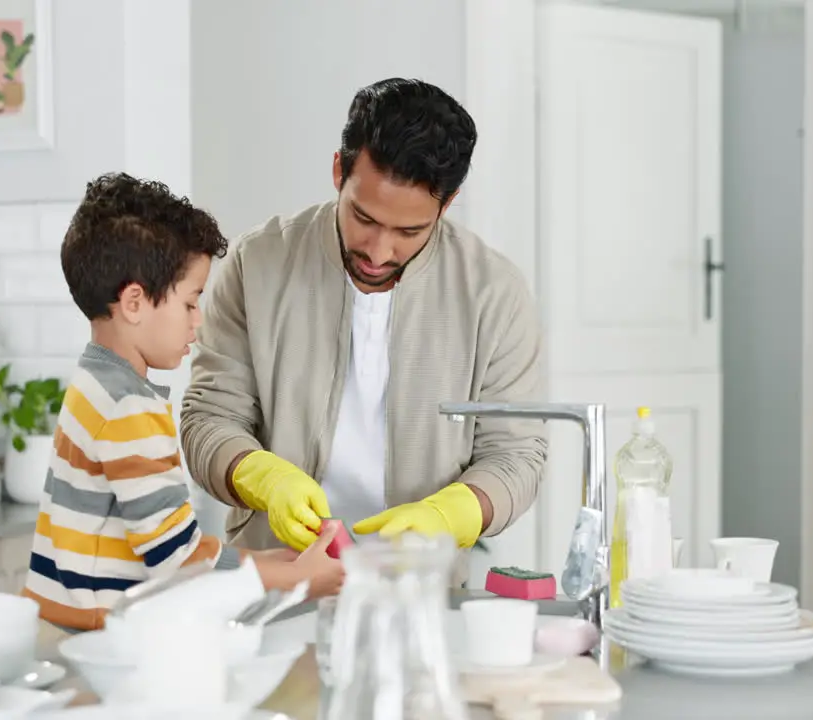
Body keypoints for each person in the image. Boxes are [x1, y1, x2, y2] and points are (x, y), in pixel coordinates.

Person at [180, 78, 548, 586]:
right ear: (339, 171)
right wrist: (261, 477)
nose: (378, 252)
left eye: (409, 232)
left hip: (422, 592)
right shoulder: (257, 264)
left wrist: (451, 514)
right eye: (363, 217)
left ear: (449, 202)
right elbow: (207, 418)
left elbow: (517, 455)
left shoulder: (494, 293)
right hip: (277, 585)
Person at [21, 172, 344, 631]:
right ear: (134, 302)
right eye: (191, 302)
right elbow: (181, 565)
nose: (199, 320)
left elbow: (168, 544)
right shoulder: (130, 409)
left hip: (59, 621)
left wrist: (267, 560)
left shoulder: (93, 383)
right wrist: (293, 581)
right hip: (98, 634)